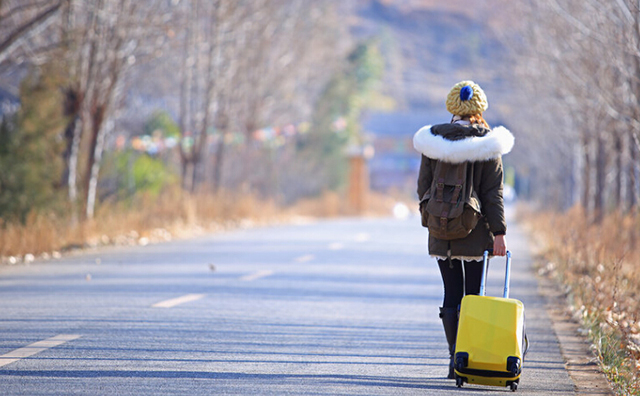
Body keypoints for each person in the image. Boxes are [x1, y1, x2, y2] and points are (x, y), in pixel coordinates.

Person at [413, 80, 514, 379]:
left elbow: (423, 187)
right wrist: (499, 233)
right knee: (472, 296)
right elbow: (492, 193)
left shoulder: (433, 142)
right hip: (475, 234)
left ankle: (452, 358)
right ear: (479, 108)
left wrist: (434, 218)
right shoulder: (487, 144)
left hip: (441, 231)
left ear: (452, 108)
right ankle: (466, 359)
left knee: (451, 294)